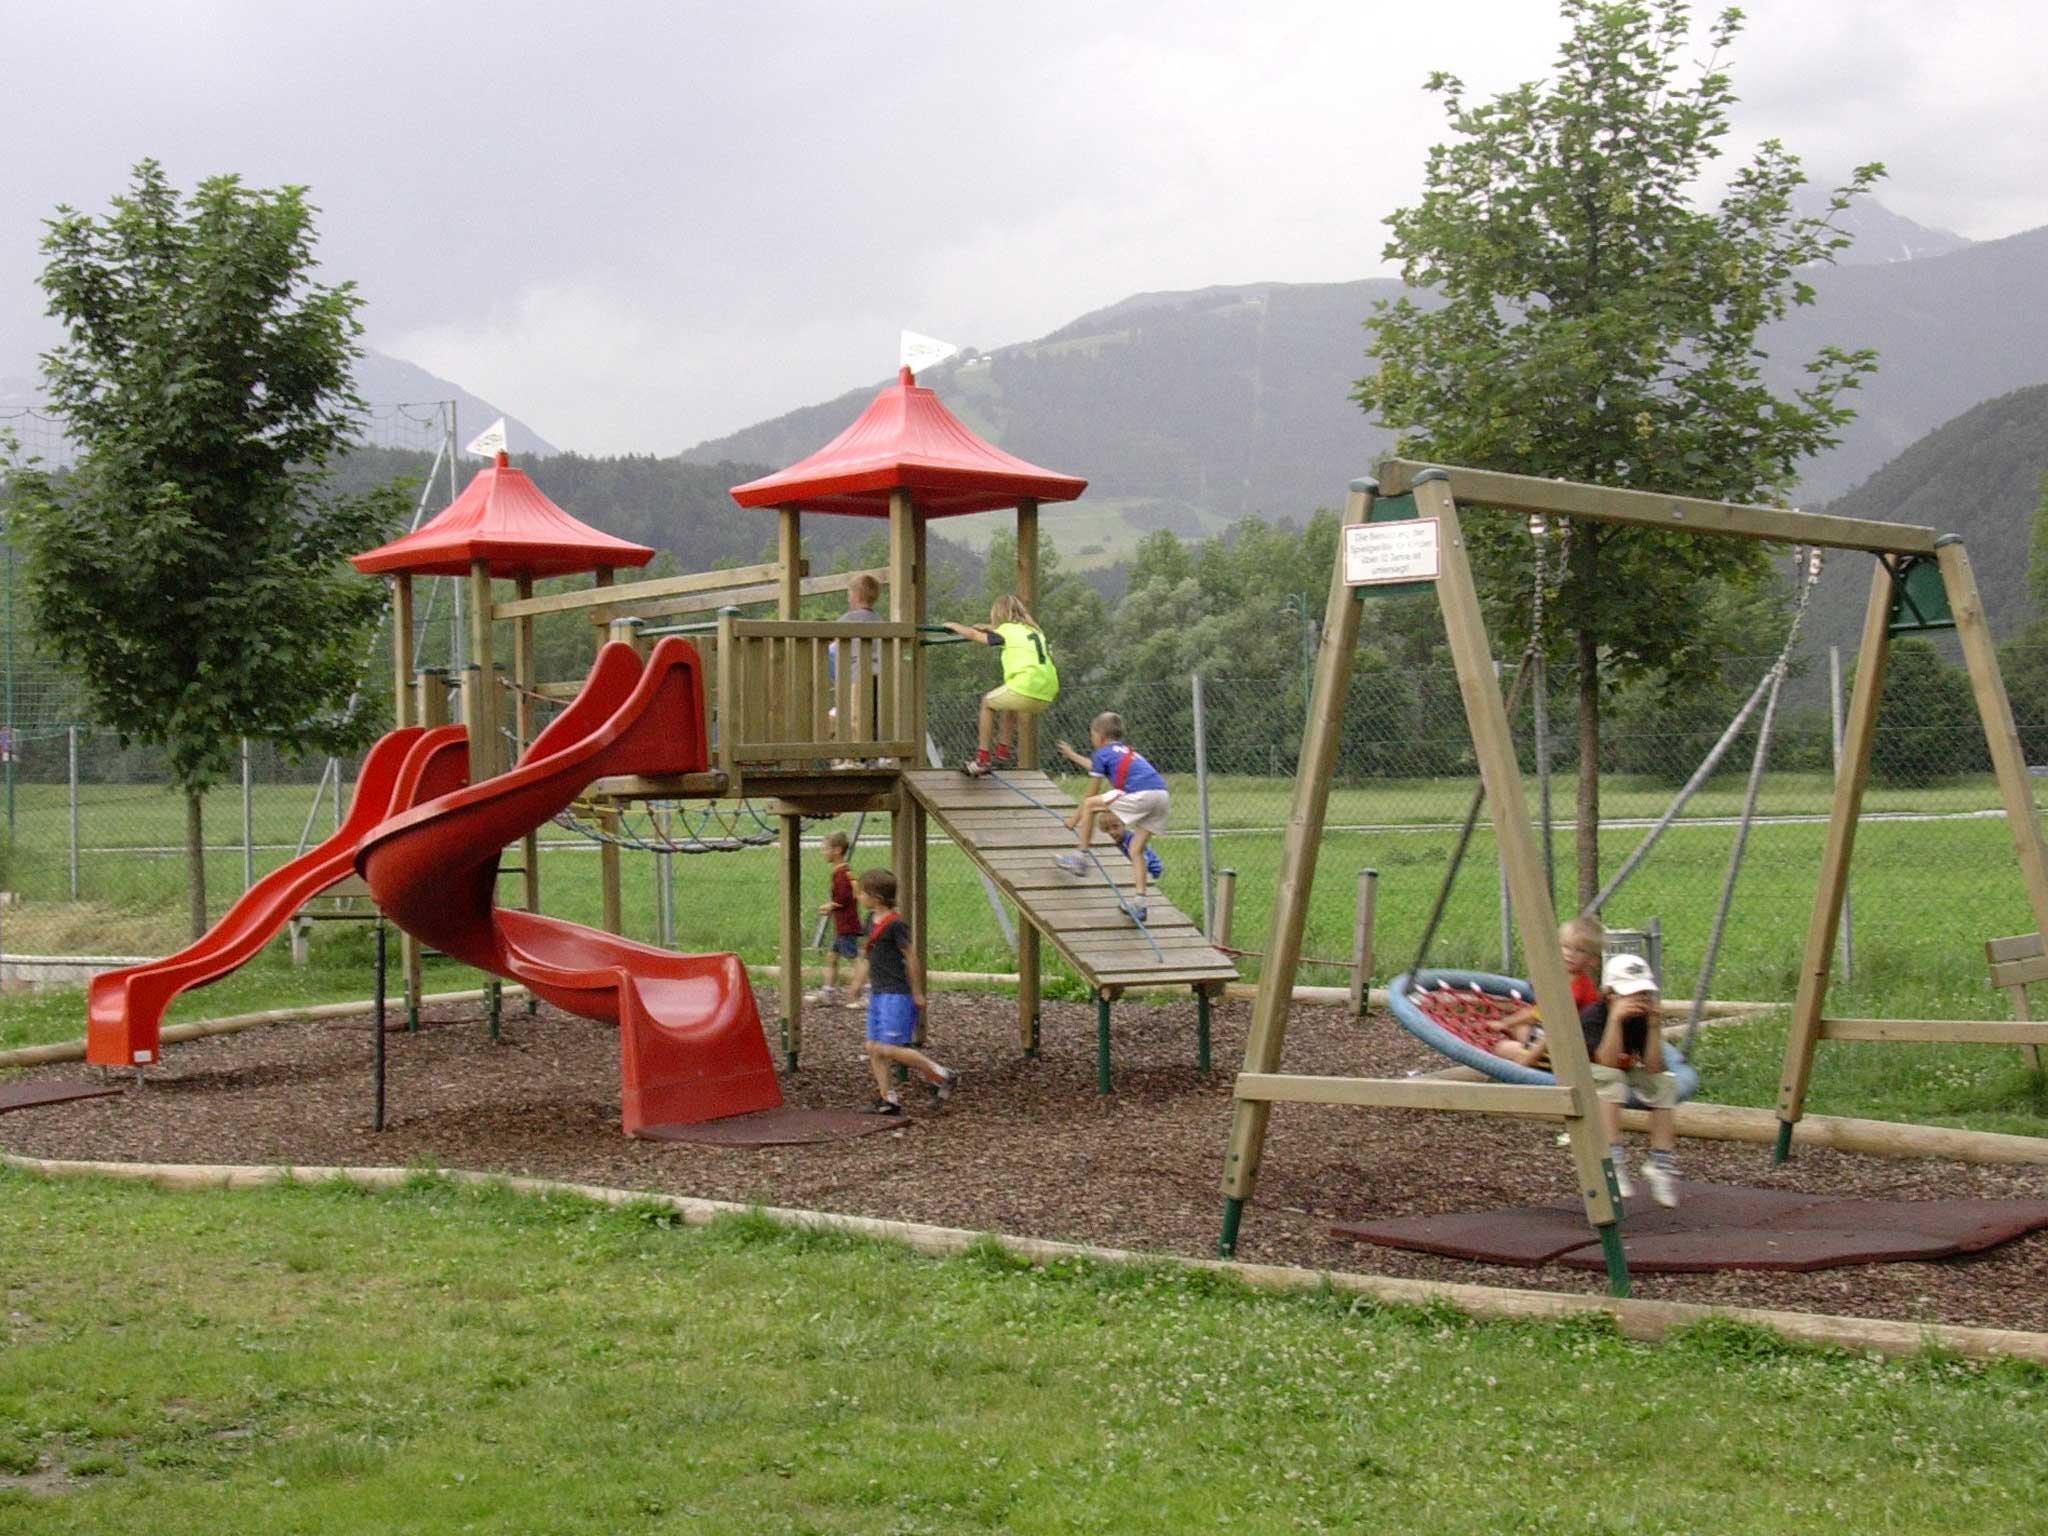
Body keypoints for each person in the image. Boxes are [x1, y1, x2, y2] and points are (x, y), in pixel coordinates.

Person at [845, 868, 958, 1115]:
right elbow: (867, 955)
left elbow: (911, 957)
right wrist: (857, 983)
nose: (859, 897)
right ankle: (888, 1099)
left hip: (896, 993)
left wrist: (917, 992)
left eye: (862, 893)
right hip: (878, 992)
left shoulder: (896, 924)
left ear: (876, 897)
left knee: (889, 1048)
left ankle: (941, 1074)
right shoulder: (869, 921)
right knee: (873, 1047)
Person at [1580, 952, 1682, 1207]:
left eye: (1643, 994)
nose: (1639, 1000)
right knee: (1613, 1080)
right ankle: (1613, 1160)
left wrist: (1654, 1026)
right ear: (1610, 994)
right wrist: (1615, 1019)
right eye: (1631, 994)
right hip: (1590, 1069)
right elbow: (1606, 1061)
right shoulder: (1594, 1016)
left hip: (1620, 1071)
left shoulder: (1640, 1019)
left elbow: (1653, 1068)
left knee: (1665, 1084)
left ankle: (1660, 1163)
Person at [1053, 712, 1168, 924]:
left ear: (1099, 735)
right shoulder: (1122, 751)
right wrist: (1072, 755)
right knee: (1136, 850)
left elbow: (1091, 793)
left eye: (1092, 735)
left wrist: (1074, 819)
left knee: (1089, 804)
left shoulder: (1102, 753)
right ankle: (1140, 903)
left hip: (1139, 793)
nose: (1092, 739)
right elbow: (1097, 767)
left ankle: (1080, 857)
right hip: (1161, 795)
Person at [944, 596, 1058, 776]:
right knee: (1008, 702)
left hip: (1026, 686)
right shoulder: (1035, 631)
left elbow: (974, 635)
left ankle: (982, 759)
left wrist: (954, 626)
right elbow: (1004, 630)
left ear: (997, 614)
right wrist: (990, 627)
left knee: (986, 703)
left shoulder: (1005, 631)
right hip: (1047, 692)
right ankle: (1002, 754)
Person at [1491, 916, 1606, 1068]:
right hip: (1554, 1034)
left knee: (1502, 1048)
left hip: (1564, 1046)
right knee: (1520, 1026)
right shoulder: (1564, 978)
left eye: (1579, 950)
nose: (1569, 954)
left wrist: (1504, 1022)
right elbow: (1536, 1012)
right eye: (1565, 946)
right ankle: (1526, 1051)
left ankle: (1528, 1061)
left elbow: (1546, 1018)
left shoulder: (1577, 988)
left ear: (1593, 960)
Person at [827, 574, 884, 763]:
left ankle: (852, 758)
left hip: (855, 677)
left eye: (849, 593)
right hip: (879, 677)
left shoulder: (846, 619)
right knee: (873, 717)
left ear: (855, 595)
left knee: (854, 718)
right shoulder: (880, 621)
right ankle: (872, 757)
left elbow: (833, 645)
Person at [807, 830, 862, 1007]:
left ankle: (869, 991)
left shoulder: (841, 874)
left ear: (837, 850)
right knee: (832, 957)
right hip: (842, 925)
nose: (823, 852)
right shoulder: (843, 872)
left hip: (846, 925)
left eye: (825, 849)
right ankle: (827, 992)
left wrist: (830, 905)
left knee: (855, 959)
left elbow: (844, 898)